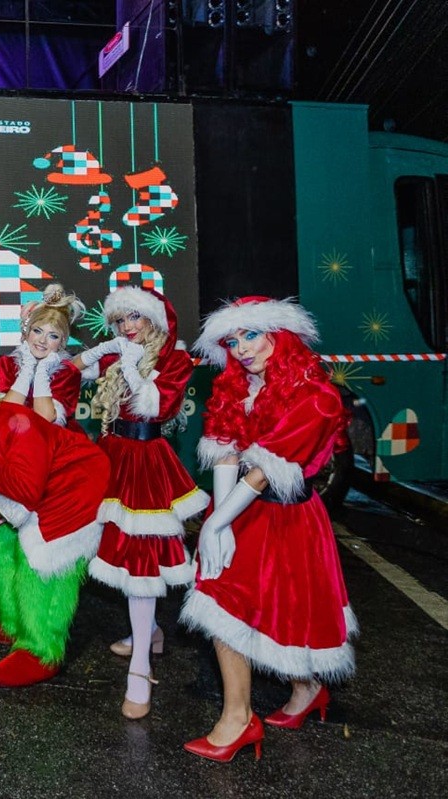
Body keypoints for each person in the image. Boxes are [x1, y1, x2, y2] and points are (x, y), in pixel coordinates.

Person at [179, 296, 356, 762]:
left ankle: (305, 689)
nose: (241, 349)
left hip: (291, 518)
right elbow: (226, 450)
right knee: (218, 596)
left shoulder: (317, 396)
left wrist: (219, 520)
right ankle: (241, 716)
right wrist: (222, 520)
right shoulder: (238, 387)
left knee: (289, 610)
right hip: (245, 509)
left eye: (251, 335)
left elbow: (267, 467)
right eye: (233, 341)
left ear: (282, 334)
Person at [74, 286, 209, 719]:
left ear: (154, 319)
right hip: (113, 458)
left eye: (135, 318)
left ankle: (140, 668)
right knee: (117, 551)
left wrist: (127, 363)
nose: (128, 327)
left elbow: (154, 408)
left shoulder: (174, 359)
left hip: (147, 463)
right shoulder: (120, 353)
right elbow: (69, 372)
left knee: (142, 562)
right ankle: (148, 631)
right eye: (120, 321)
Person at [0, 366, 109, 687]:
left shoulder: (16, 421)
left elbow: (24, 490)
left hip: (74, 487)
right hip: (30, 494)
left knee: (40, 564)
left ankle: (41, 650)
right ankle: (14, 623)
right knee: (0, 547)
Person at [0, 283, 85, 431]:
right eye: (37, 331)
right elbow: (6, 414)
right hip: (13, 442)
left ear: (61, 342)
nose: (42, 340)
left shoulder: (68, 372)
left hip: (54, 443)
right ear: (27, 332)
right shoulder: (7, 364)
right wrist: (27, 369)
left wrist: (41, 370)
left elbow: (46, 418)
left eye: (53, 336)